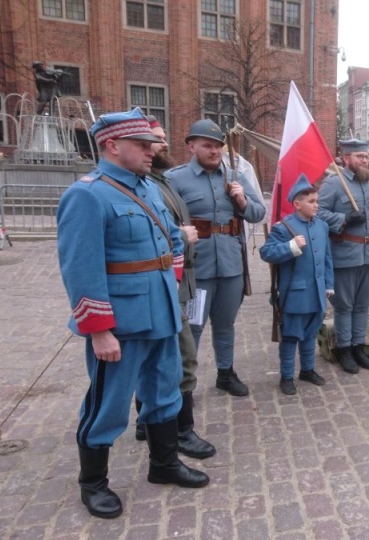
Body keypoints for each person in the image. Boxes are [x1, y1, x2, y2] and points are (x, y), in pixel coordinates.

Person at [57, 109, 208, 520]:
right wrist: (99, 330)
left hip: (160, 311)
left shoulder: (147, 187)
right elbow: (81, 268)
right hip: (121, 322)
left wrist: (170, 282)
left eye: (151, 143)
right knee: (109, 402)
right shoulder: (88, 195)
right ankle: (93, 483)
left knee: (165, 391)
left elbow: (172, 239)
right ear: (111, 145)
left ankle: (163, 464)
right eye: (142, 145)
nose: (152, 150)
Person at [132, 117, 215, 460]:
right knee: (180, 360)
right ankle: (180, 431)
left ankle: (150, 421)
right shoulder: (140, 185)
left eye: (162, 139)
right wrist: (180, 236)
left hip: (179, 282)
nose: (161, 145)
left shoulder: (157, 181)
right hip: (161, 286)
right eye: (155, 139)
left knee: (167, 359)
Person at [167, 119, 266, 397]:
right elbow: (163, 220)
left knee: (225, 324)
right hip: (197, 267)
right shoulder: (175, 179)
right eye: (207, 146)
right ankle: (185, 384)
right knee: (194, 326)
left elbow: (259, 214)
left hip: (232, 265)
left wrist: (243, 200)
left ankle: (225, 373)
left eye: (218, 146)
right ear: (192, 146)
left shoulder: (235, 175)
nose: (214, 151)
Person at [318, 138, 369, 374]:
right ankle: (345, 349)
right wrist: (344, 219)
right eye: (359, 156)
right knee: (344, 306)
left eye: (366, 156)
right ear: (345, 158)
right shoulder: (333, 184)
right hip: (345, 255)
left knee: (362, 305)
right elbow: (318, 212)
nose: (364, 160)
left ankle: (359, 347)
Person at [260, 174, 334, 395]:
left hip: (318, 292)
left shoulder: (322, 226)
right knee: (291, 335)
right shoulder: (284, 228)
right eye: (311, 202)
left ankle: (308, 370)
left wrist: (329, 284)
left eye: (317, 201)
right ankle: (286, 376)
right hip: (295, 294)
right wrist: (290, 247)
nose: (316, 205)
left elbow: (328, 257)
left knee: (311, 332)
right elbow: (266, 253)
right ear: (296, 204)